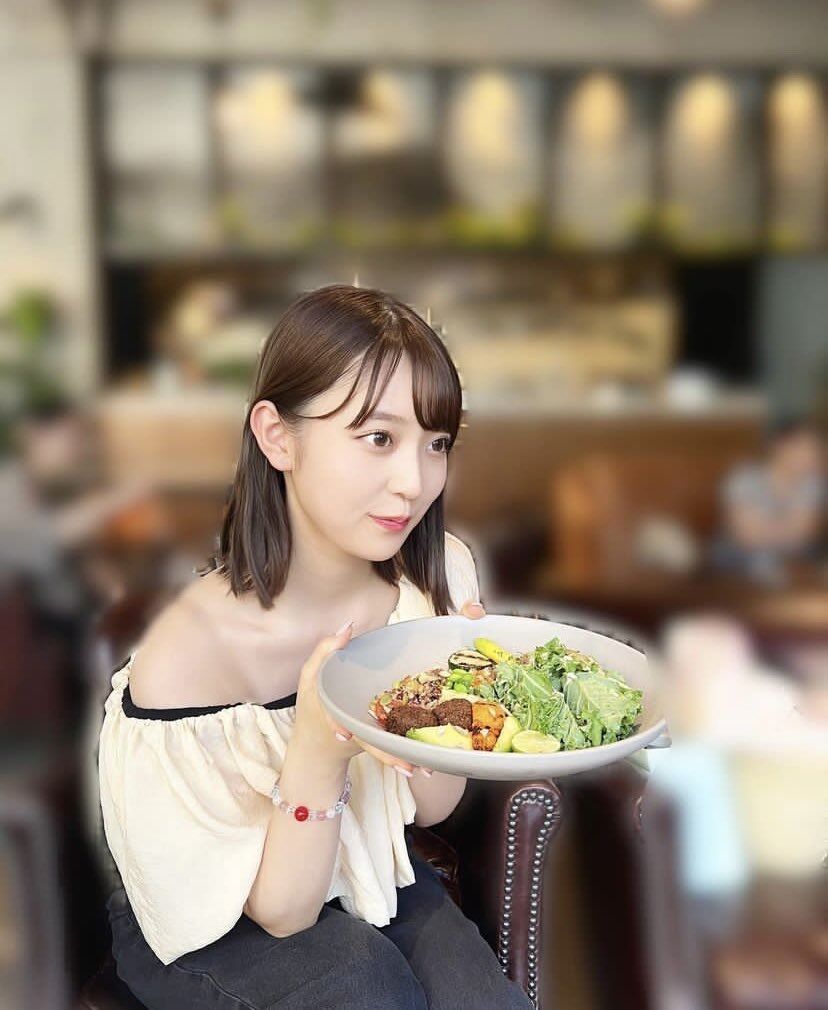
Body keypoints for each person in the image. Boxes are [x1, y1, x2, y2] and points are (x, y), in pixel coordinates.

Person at [95, 284, 533, 1009]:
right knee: (364, 985)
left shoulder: (437, 572)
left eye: (437, 443)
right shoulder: (191, 652)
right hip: (212, 917)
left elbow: (431, 810)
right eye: (379, 438)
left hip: (362, 869)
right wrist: (318, 748)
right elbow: (282, 913)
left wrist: (450, 692)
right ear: (278, 437)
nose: (414, 482)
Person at [710, 416, 826, 583]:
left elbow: (803, 533)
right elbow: (747, 536)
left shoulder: (812, 482)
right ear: (779, 447)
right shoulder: (744, 478)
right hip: (738, 556)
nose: (812, 457)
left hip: (793, 555)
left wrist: (768, 530)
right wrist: (788, 529)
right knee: (755, 560)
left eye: (815, 450)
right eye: (805, 448)